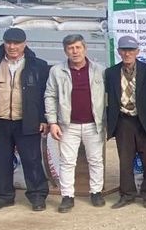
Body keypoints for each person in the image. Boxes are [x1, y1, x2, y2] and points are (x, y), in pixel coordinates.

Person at [0, 28, 50, 212]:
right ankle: (4, 196)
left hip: (27, 121)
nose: (12, 47)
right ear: (4, 43)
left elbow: (45, 94)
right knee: (2, 161)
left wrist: (43, 118)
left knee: (32, 160)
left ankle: (37, 196)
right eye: (8, 42)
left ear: (25, 44)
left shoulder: (38, 65)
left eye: (17, 43)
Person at [44, 35, 107, 213]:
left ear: (85, 49)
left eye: (78, 47)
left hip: (94, 124)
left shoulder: (100, 70)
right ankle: (67, 196)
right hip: (68, 125)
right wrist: (52, 122)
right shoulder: (57, 71)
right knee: (67, 162)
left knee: (96, 160)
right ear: (65, 51)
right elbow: (50, 96)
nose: (75, 51)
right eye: (70, 48)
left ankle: (96, 192)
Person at [105, 35, 146, 209]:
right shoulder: (111, 73)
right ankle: (127, 194)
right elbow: (107, 99)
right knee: (125, 161)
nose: (127, 53)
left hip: (145, 121)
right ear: (119, 51)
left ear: (137, 51)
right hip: (123, 121)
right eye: (124, 50)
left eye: (131, 50)